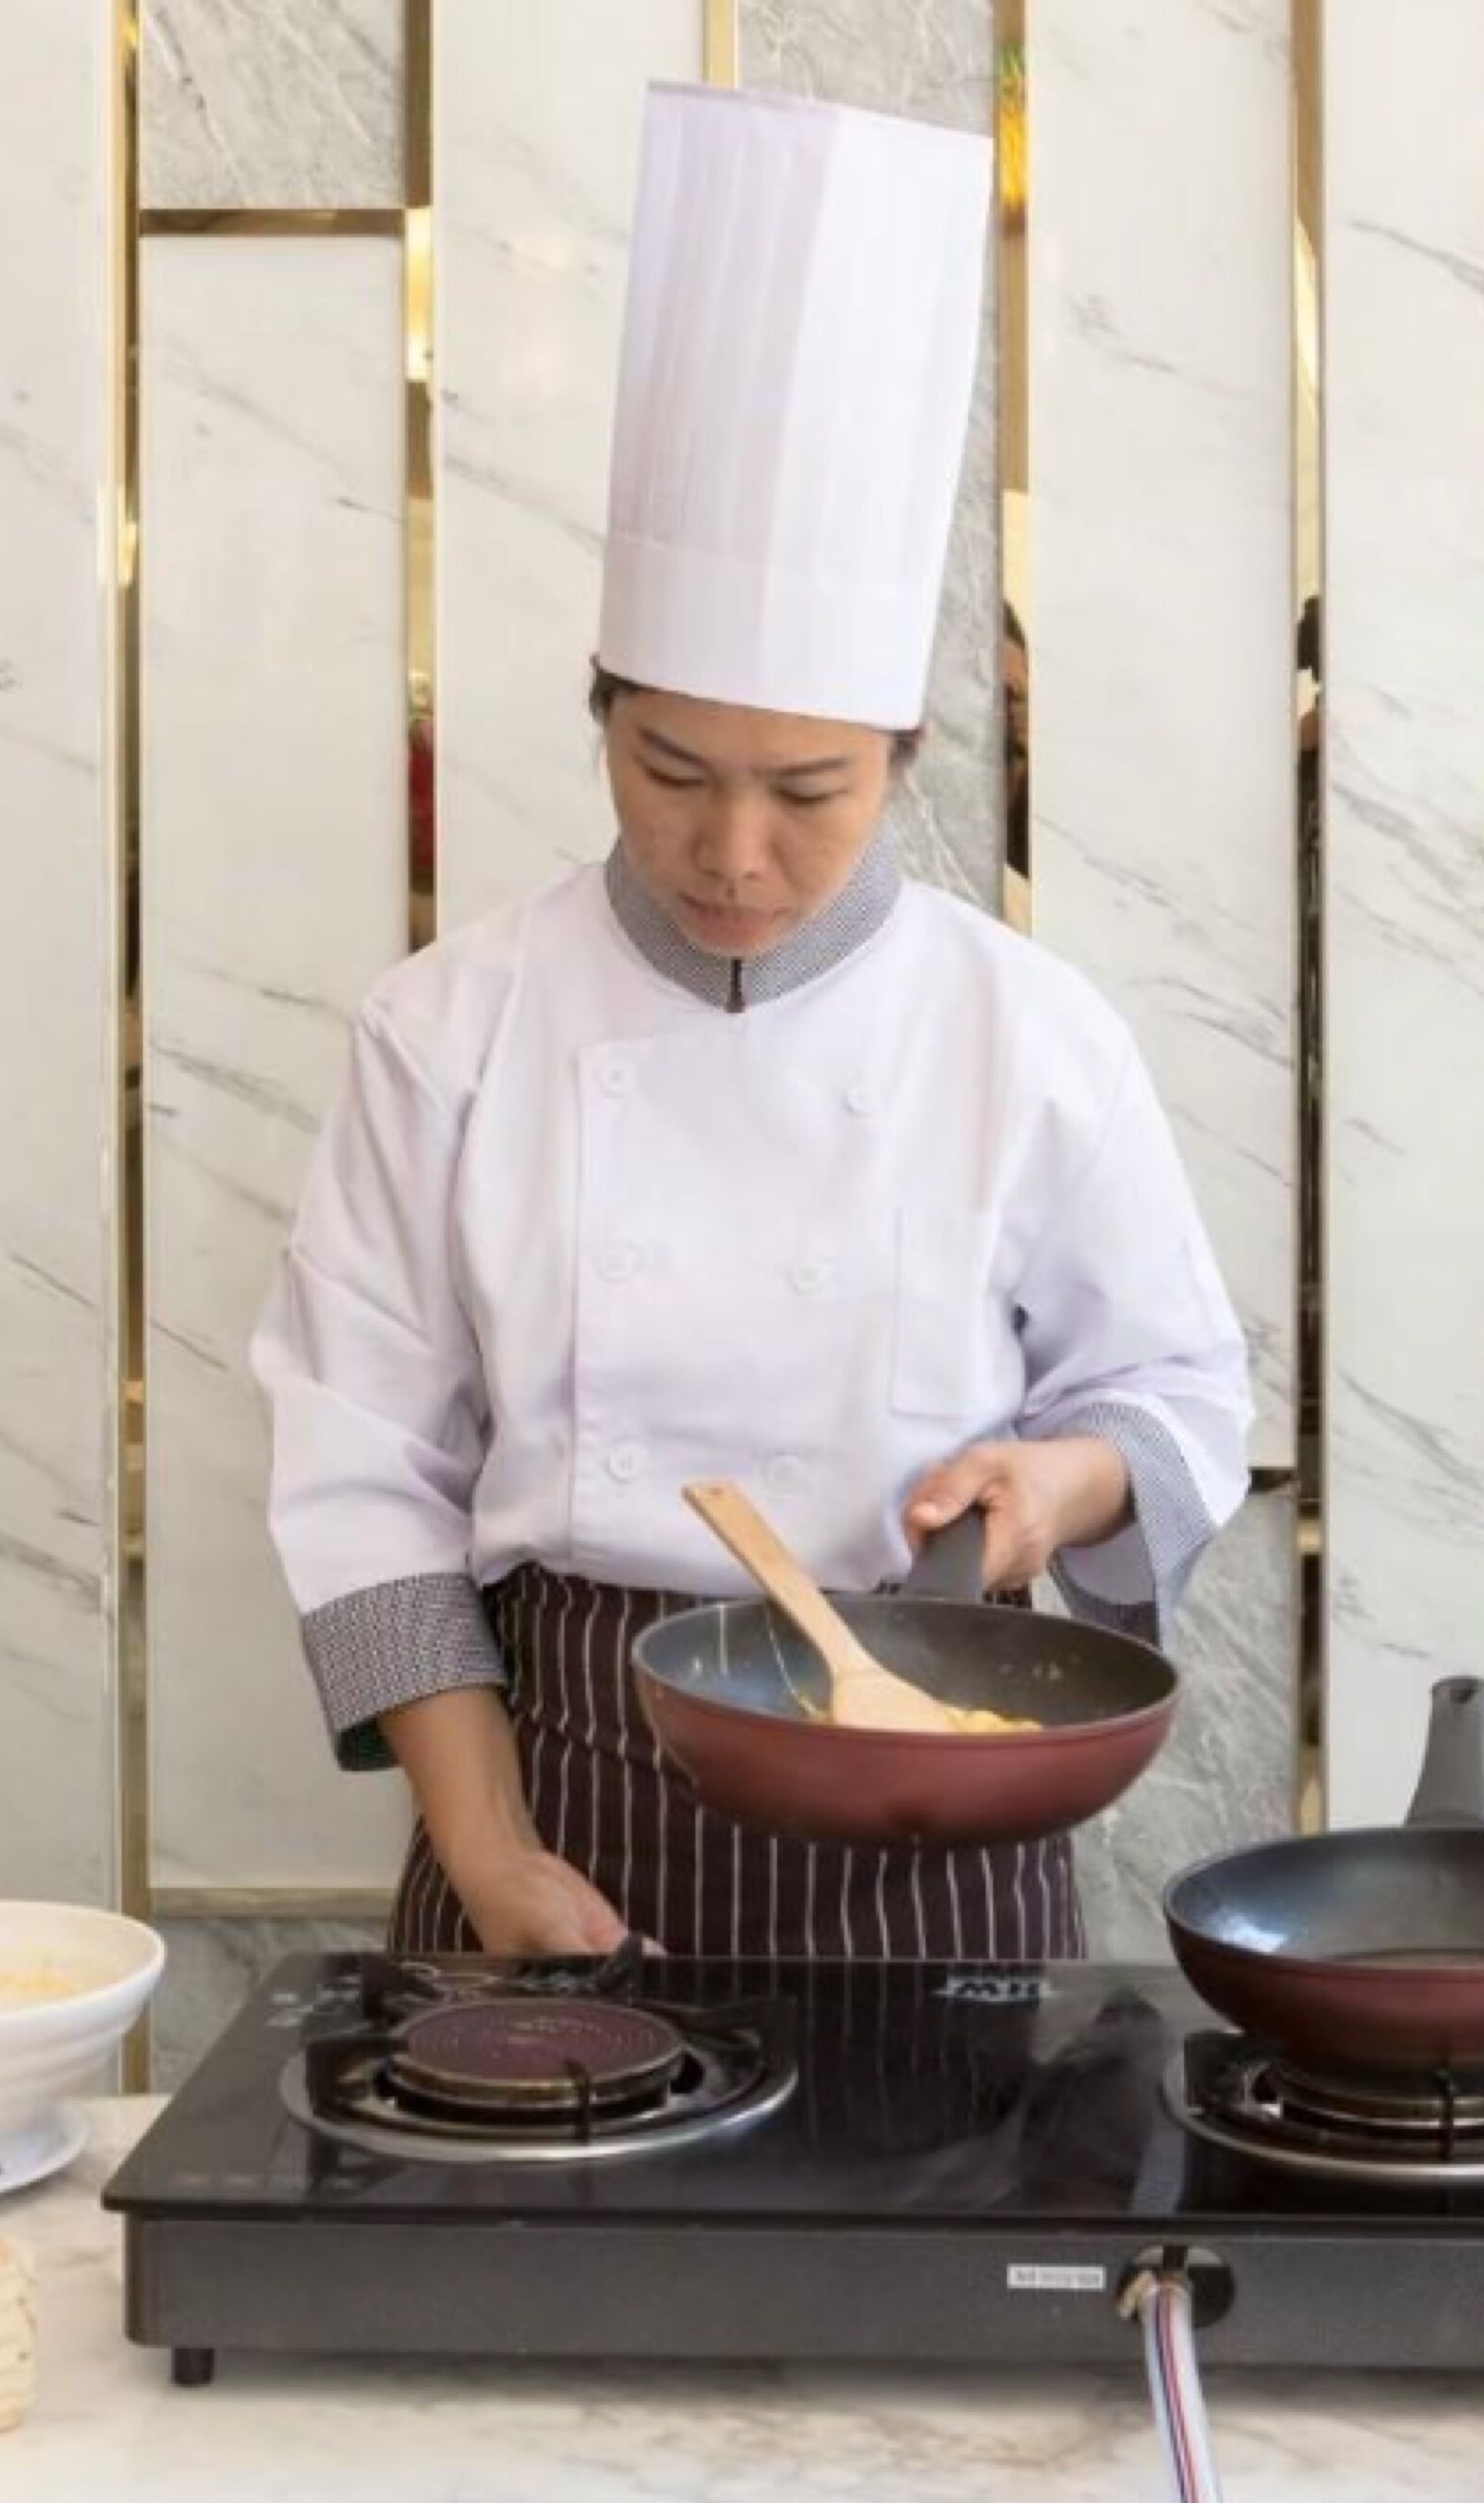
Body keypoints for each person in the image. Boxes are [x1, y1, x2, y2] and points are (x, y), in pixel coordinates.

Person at [250, 84, 1252, 1962]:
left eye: (810, 790)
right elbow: (362, 1464)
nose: (732, 852)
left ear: (908, 753)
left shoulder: (1030, 1033)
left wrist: (1058, 1485)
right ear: (599, 709)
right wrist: (482, 1854)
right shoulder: (449, 1028)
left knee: (951, 2246)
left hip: (938, 1794)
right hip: (557, 1793)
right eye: (671, 768)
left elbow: (1175, 1397)